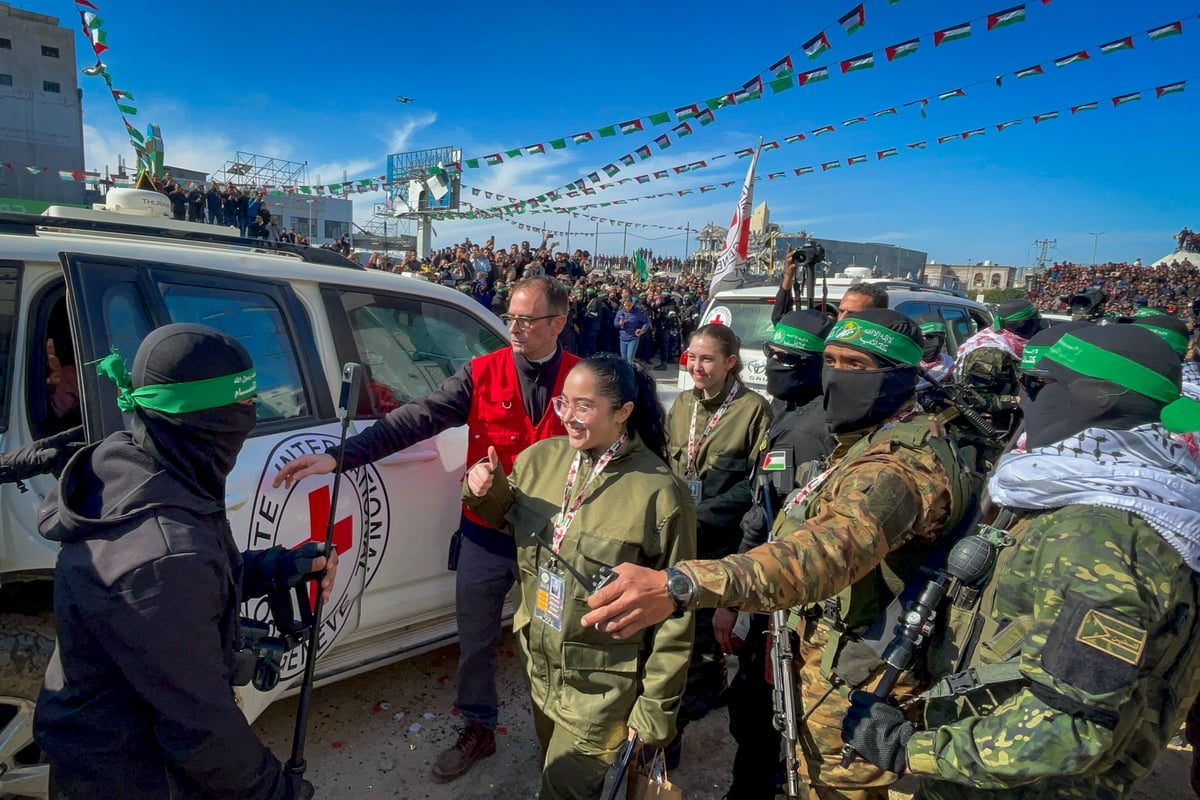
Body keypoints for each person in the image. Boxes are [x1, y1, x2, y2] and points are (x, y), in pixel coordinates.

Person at [582, 309, 976, 799]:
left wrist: (684, 584)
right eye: (830, 361)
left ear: (899, 375)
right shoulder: (863, 442)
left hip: (867, 681)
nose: (835, 376)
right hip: (830, 659)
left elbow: (826, 553)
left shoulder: (898, 466)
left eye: (855, 365)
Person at [842, 324, 1200, 799]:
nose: (1021, 399)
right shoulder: (1086, 492)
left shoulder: (1103, 531)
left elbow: (1068, 724)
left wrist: (913, 750)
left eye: (1038, 385)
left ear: (1100, 396)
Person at [271, 276, 578, 784]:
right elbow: (415, 419)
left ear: (558, 323)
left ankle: (562, 735)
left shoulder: (583, 381)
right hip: (487, 532)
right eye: (510, 317)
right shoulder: (482, 373)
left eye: (527, 320)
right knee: (476, 639)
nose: (514, 329)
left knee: (553, 640)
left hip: (554, 540)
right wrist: (339, 457)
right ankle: (478, 726)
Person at [34, 323, 336, 799]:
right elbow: (200, 728)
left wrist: (274, 568)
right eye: (242, 407)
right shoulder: (163, 554)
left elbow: (188, 594)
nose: (251, 417)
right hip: (133, 778)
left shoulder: (145, 468)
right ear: (207, 421)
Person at [462, 355, 695, 800]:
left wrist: (654, 713)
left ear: (623, 411)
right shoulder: (541, 460)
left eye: (584, 406)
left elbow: (677, 618)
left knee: (564, 788)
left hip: (601, 692)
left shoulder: (660, 493)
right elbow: (507, 520)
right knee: (554, 766)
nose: (567, 416)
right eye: (563, 402)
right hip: (542, 671)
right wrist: (482, 489)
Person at [720, 309, 834, 800]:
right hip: (795, 581)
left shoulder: (803, 432)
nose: (774, 365)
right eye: (771, 354)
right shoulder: (796, 409)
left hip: (777, 591)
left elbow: (765, 520)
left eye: (787, 358)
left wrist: (733, 602)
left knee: (757, 709)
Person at [667, 322, 772, 737]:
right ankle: (706, 686)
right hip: (681, 537)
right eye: (692, 357)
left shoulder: (753, 411)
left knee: (707, 631)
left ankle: (696, 700)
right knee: (679, 622)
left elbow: (754, 486)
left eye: (707, 358)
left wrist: (700, 513)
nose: (697, 366)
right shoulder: (681, 406)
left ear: (731, 363)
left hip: (721, 542)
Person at [614, 297, 650, 364]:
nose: (628, 308)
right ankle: (625, 373)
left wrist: (642, 330)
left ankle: (631, 372)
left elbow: (646, 322)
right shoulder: (620, 312)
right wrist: (619, 323)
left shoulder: (637, 312)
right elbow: (615, 324)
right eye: (626, 306)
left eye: (630, 306)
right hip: (623, 338)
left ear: (632, 304)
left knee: (630, 358)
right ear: (623, 304)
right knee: (623, 359)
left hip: (633, 337)